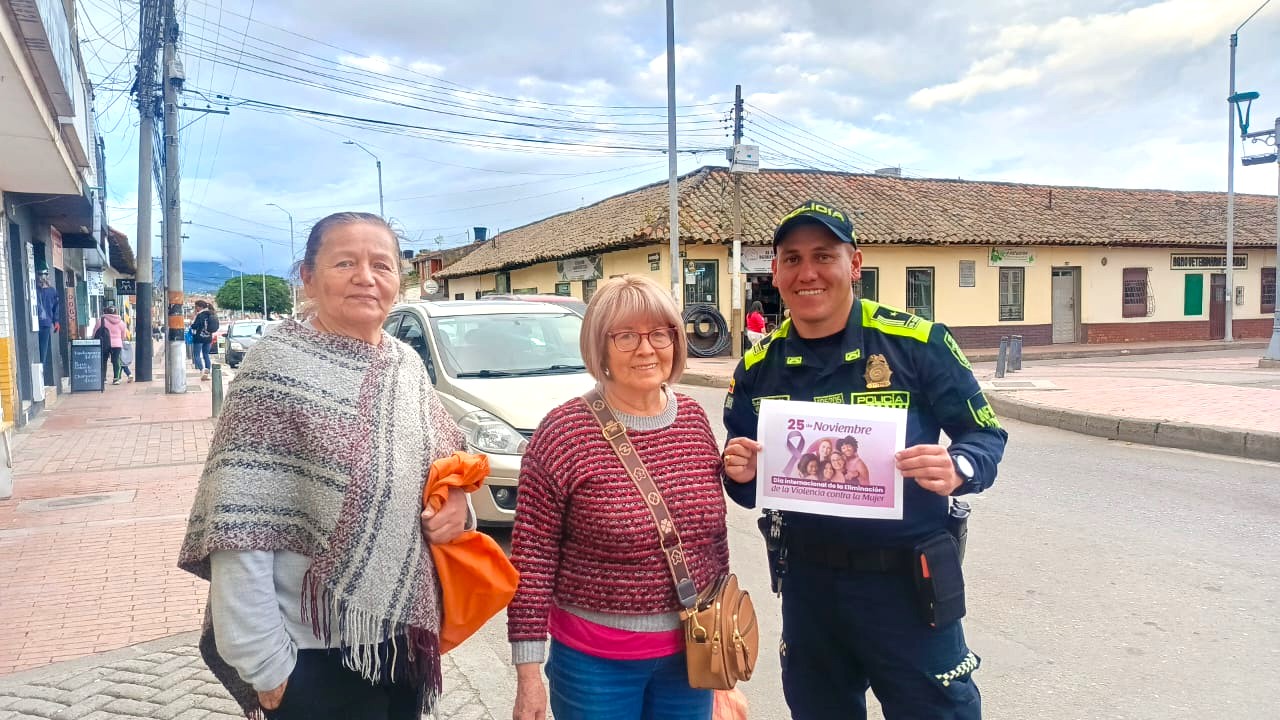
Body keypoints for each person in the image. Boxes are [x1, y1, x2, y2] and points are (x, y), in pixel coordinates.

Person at [178, 212, 474, 720]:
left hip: (402, 637)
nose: (366, 276)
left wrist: (459, 505)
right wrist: (265, 664)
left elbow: (447, 465)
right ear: (308, 278)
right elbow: (239, 527)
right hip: (307, 652)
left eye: (382, 264)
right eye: (345, 262)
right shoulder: (273, 372)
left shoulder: (404, 364)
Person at [720, 200, 1008, 720]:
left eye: (823, 256)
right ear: (777, 274)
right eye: (791, 259)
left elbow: (984, 435)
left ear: (854, 264)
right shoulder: (760, 367)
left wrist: (957, 467)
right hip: (809, 588)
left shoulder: (917, 343)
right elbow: (745, 477)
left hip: (909, 587)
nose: (807, 273)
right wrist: (738, 471)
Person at [509, 274, 729, 720]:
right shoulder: (564, 433)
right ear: (600, 348)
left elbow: (713, 545)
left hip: (691, 658)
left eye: (659, 333)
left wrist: (720, 667)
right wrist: (528, 677)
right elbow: (531, 563)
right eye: (626, 335)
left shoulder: (693, 419)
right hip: (594, 667)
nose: (646, 349)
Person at [92, 306, 128, 385]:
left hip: (105, 343)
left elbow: (95, 332)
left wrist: (94, 340)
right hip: (117, 344)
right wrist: (119, 340)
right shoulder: (121, 322)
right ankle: (116, 378)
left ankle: (103, 378)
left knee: (103, 360)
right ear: (116, 312)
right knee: (116, 361)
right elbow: (123, 335)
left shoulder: (101, 321)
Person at [36, 270, 60, 383]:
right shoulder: (35, 289)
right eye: (39, 274)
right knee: (40, 350)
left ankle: (41, 377)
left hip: (45, 324)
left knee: (43, 351)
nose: (41, 277)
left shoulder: (52, 290)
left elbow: (56, 307)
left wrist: (56, 321)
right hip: (35, 322)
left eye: (43, 274)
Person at [190, 300, 218, 380]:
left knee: (196, 355)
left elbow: (195, 326)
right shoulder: (211, 313)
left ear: (200, 307)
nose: (195, 309)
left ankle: (202, 371)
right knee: (206, 355)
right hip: (208, 338)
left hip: (199, 338)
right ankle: (207, 372)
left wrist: (192, 323)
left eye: (196, 307)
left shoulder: (200, 315)